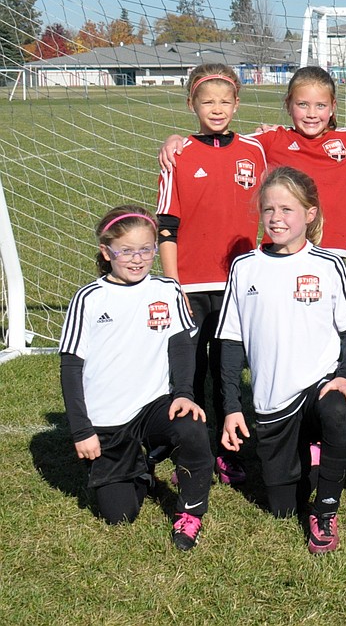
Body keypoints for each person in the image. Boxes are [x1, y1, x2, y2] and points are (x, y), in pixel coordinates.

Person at [217, 167, 346, 554]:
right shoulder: (244, 267)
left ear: (310, 214)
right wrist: (233, 408)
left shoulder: (329, 266)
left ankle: (326, 511)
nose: (277, 218)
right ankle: (312, 456)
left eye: (287, 209)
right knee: (282, 508)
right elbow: (230, 343)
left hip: (320, 386)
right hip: (271, 401)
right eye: (269, 210)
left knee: (335, 410)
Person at [59, 206, 212, 550]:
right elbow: (70, 368)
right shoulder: (89, 299)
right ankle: (143, 466)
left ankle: (190, 513)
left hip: (152, 405)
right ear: (106, 252)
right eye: (126, 250)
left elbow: (182, 347)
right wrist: (82, 431)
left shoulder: (166, 290)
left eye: (146, 249)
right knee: (120, 515)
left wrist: (184, 393)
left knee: (191, 426)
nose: (137, 259)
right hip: (107, 420)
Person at [157, 63, 266, 486]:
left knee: (228, 369)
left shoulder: (254, 151)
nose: (217, 109)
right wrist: (172, 284)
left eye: (225, 101)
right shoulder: (179, 152)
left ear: (237, 104)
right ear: (191, 104)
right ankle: (191, 448)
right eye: (208, 101)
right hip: (190, 284)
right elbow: (167, 224)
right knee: (189, 371)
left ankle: (229, 449)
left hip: (239, 284)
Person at [162, 66, 346, 258]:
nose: (311, 114)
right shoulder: (270, 140)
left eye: (320, 105)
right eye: (302, 104)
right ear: (288, 105)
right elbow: (221, 145)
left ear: (332, 107)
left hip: (332, 249)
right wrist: (176, 140)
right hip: (281, 246)